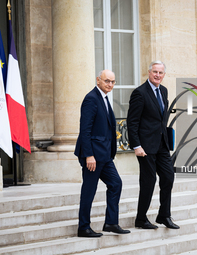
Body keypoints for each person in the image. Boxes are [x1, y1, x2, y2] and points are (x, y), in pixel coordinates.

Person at [75, 70, 130, 237]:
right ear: (98, 80)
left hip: (105, 156)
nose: (110, 85)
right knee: (89, 191)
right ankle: (83, 227)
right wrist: (89, 155)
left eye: (113, 82)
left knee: (116, 184)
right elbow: (85, 130)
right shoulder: (91, 98)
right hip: (93, 155)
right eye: (107, 81)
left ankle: (111, 223)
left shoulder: (104, 98)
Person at [127, 61, 180, 230]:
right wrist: (136, 145)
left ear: (164, 75)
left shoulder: (163, 91)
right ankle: (141, 219)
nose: (158, 75)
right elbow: (132, 122)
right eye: (155, 72)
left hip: (162, 145)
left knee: (168, 177)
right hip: (146, 147)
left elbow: (161, 119)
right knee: (148, 182)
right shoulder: (139, 93)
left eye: (161, 73)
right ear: (149, 73)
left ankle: (164, 215)